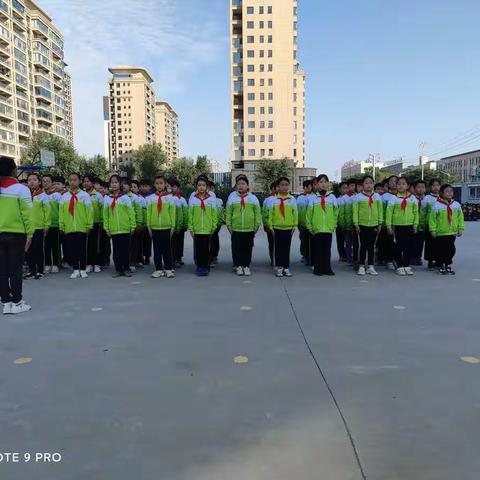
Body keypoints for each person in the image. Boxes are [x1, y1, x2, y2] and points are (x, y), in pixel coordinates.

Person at [0, 156, 34, 314]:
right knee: (15, 270)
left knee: (1, 270)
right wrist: (30, 233)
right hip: (16, 234)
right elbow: (27, 214)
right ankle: (17, 302)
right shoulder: (21, 189)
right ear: (13, 170)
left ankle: (6, 303)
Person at [225, 175, 262, 276]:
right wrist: (229, 226)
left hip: (249, 229)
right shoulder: (232, 198)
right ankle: (238, 266)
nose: (240, 186)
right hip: (236, 229)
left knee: (247, 248)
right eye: (238, 184)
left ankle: (246, 266)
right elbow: (228, 214)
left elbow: (257, 213)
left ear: (247, 186)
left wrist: (256, 226)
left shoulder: (253, 198)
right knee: (236, 249)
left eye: (243, 184)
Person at [59, 173, 93, 279]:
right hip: (69, 227)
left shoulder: (84, 195)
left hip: (81, 227)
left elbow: (89, 211)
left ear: (79, 181)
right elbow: (61, 212)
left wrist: (89, 225)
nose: (72, 182)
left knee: (82, 249)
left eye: (75, 180)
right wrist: (62, 225)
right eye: (70, 180)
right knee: (72, 250)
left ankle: (82, 269)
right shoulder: (64, 197)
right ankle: (75, 269)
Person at [103, 175, 136, 278]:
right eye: (112, 182)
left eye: (116, 182)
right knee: (116, 251)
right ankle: (118, 269)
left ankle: (126, 268)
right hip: (114, 230)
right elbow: (105, 215)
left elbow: (131, 212)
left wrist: (132, 226)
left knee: (125, 250)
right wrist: (107, 227)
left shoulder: (125, 198)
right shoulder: (107, 199)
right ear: (110, 184)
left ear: (120, 184)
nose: (114, 184)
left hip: (125, 228)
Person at [305, 174, 338, 276]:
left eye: (325, 182)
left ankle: (327, 269)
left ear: (328, 183)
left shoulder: (332, 197)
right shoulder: (313, 198)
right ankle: (318, 269)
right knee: (318, 250)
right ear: (317, 184)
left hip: (328, 228)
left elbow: (336, 212)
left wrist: (333, 225)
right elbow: (309, 214)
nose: (323, 184)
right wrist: (309, 226)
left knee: (327, 250)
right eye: (321, 182)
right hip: (317, 228)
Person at [265, 177, 298, 277]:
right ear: (278, 187)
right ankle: (279, 267)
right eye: (282, 185)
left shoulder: (292, 199)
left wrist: (295, 225)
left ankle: (286, 267)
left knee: (286, 248)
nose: (284, 187)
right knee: (278, 248)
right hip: (276, 227)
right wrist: (270, 225)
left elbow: (295, 213)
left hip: (288, 228)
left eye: (286, 185)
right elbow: (270, 214)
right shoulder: (274, 200)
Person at [386, 177, 419, 276]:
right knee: (398, 247)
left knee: (408, 247)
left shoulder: (412, 198)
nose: (401, 186)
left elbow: (416, 212)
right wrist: (388, 226)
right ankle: (399, 266)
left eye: (403, 184)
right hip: (397, 226)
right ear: (396, 186)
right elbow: (389, 213)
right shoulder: (393, 198)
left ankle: (406, 265)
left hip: (409, 225)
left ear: (408, 186)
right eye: (399, 184)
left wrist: (415, 224)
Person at [429, 184, 464, 275]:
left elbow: (460, 218)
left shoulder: (456, 205)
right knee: (440, 249)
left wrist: (460, 228)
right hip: (440, 232)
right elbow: (432, 219)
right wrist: (433, 230)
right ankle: (440, 264)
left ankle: (448, 264)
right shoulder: (436, 205)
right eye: (447, 191)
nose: (449, 193)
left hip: (452, 231)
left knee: (451, 249)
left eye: (451, 191)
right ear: (441, 193)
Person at [146, 175, 176, 278]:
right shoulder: (150, 198)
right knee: (157, 249)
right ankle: (158, 269)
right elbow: (148, 213)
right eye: (157, 183)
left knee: (167, 249)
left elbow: (172, 212)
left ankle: (168, 268)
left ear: (165, 184)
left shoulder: (170, 198)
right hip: (154, 227)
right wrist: (149, 226)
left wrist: (173, 226)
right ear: (154, 185)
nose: (159, 185)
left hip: (166, 227)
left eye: (161, 183)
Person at [352, 175, 383, 276]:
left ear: (373, 184)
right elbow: (355, 212)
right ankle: (361, 266)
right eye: (366, 183)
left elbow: (380, 211)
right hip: (362, 225)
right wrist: (356, 223)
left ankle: (370, 266)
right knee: (363, 246)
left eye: (371, 183)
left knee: (371, 247)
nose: (369, 185)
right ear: (362, 185)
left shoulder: (377, 197)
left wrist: (380, 223)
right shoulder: (358, 197)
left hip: (374, 225)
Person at [188, 175, 218, 276]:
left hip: (207, 229)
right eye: (199, 185)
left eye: (203, 185)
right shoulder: (193, 199)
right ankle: (199, 266)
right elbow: (190, 215)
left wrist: (213, 226)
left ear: (207, 187)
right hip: (196, 229)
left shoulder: (211, 199)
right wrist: (191, 228)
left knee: (206, 249)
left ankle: (205, 266)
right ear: (196, 186)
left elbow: (214, 214)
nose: (201, 187)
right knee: (198, 249)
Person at [26, 173, 51, 279]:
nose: (32, 182)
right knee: (29, 250)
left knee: (39, 249)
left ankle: (40, 270)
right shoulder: (25, 195)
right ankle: (31, 270)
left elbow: (47, 211)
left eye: (34, 180)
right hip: (28, 228)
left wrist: (46, 225)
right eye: (29, 180)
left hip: (39, 227)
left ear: (39, 182)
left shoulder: (43, 196)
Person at [122, 179, 145, 272]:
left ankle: (132, 262)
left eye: (126, 185)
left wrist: (139, 223)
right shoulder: (118, 197)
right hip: (123, 226)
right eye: (122, 185)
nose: (124, 186)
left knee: (133, 245)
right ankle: (124, 262)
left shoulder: (135, 198)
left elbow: (139, 211)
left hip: (133, 225)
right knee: (124, 246)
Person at [83, 174, 104, 273]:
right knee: (87, 244)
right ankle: (88, 264)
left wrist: (101, 221)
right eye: (85, 181)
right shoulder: (81, 194)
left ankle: (96, 264)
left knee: (96, 244)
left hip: (96, 223)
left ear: (92, 183)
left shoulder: (98, 195)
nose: (86, 183)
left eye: (88, 181)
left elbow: (102, 209)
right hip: (84, 223)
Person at [42, 174, 61, 274]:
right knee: (46, 246)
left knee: (55, 245)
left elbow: (61, 210)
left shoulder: (57, 195)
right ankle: (48, 264)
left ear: (52, 183)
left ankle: (56, 264)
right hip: (44, 225)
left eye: (47, 181)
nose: (45, 183)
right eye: (43, 181)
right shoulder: (40, 195)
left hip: (55, 224)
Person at [380, 176, 399, 270]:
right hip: (387, 225)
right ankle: (388, 260)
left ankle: (397, 260)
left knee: (398, 244)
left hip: (400, 224)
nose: (394, 183)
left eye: (396, 181)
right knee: (388, 243)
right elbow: (382, 211)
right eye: (392, 181)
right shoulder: (384, 197)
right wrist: (384, 224)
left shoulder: (403, 196)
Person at [169, 178, 188, 267]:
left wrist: (184, 225)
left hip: (180, 227)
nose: (172, 188)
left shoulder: (182, 199)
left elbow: (185, 213)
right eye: (170, 186)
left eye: (174, 187)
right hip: (171, 226)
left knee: (179, 243)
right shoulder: (168, 199)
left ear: (178, 188)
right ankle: (173, 259)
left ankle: (179, 258)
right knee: (172, 244)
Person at [424, 178, 441, 269]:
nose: (436, 187)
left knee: (439, 244)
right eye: (433, 185)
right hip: (429, 225)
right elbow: (423, 212)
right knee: (430, 244)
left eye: (438, 185)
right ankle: (430, 261)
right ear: (430, 187)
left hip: (441, 225)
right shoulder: (427, 198)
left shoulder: (442, 198)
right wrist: (422, 223)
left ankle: (439, 261)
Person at [297, 180, 313, 263]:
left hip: (310, 224)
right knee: (303, 240)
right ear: (305, 188)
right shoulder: (300, 198)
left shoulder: (313, 197)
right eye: (310, 186)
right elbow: (297, 211)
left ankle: (310, 256)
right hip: (302, 224)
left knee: (311, 241)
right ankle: (304, 255)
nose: (312, 187)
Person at [263, 181, 278, 267]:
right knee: (272, 244)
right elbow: (264, 213)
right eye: (276, 187)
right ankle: (273, 259)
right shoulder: (267, 200)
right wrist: (266, 224)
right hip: (270, 226)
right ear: (272, 189)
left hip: (280, 226)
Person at [412, 180, 427, 266]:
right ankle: (411, 257)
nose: (420, 189)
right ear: (414, 189)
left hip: (422, 224)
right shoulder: (411, 199)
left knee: (420, 242)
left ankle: (418, 257)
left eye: (423, 187)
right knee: (412, 241)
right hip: (413, 224)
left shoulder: (427, 199)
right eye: (418, 187)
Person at [209, 181, 223, 266]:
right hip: (206, 225)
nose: (210, 190)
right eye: (209, 188)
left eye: (212, 188)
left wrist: (218, 225)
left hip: (216, 225)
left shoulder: (219, 201)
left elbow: (220, 214)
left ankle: (214, 256)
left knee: (214, 240)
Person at [139, 179, 152, 266]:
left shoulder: (152, 197)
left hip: (149, 223)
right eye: (142, 186)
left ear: (150, 187)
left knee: (148, 241)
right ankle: (140, 257)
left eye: (146, 186)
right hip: (140, 223)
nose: (144, 188)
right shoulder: (138, 197)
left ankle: (147, 256)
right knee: (140, 241)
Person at [335, 182, 348, 262]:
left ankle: (348, 254)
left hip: (347, 224)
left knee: (348, 241)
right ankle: (342, 255)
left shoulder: (351, 198)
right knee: (340, 240)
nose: (346, 190)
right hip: (339, 224)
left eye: (347, 188)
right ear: (340, 190)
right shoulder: (337, 200)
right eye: (344, 188)